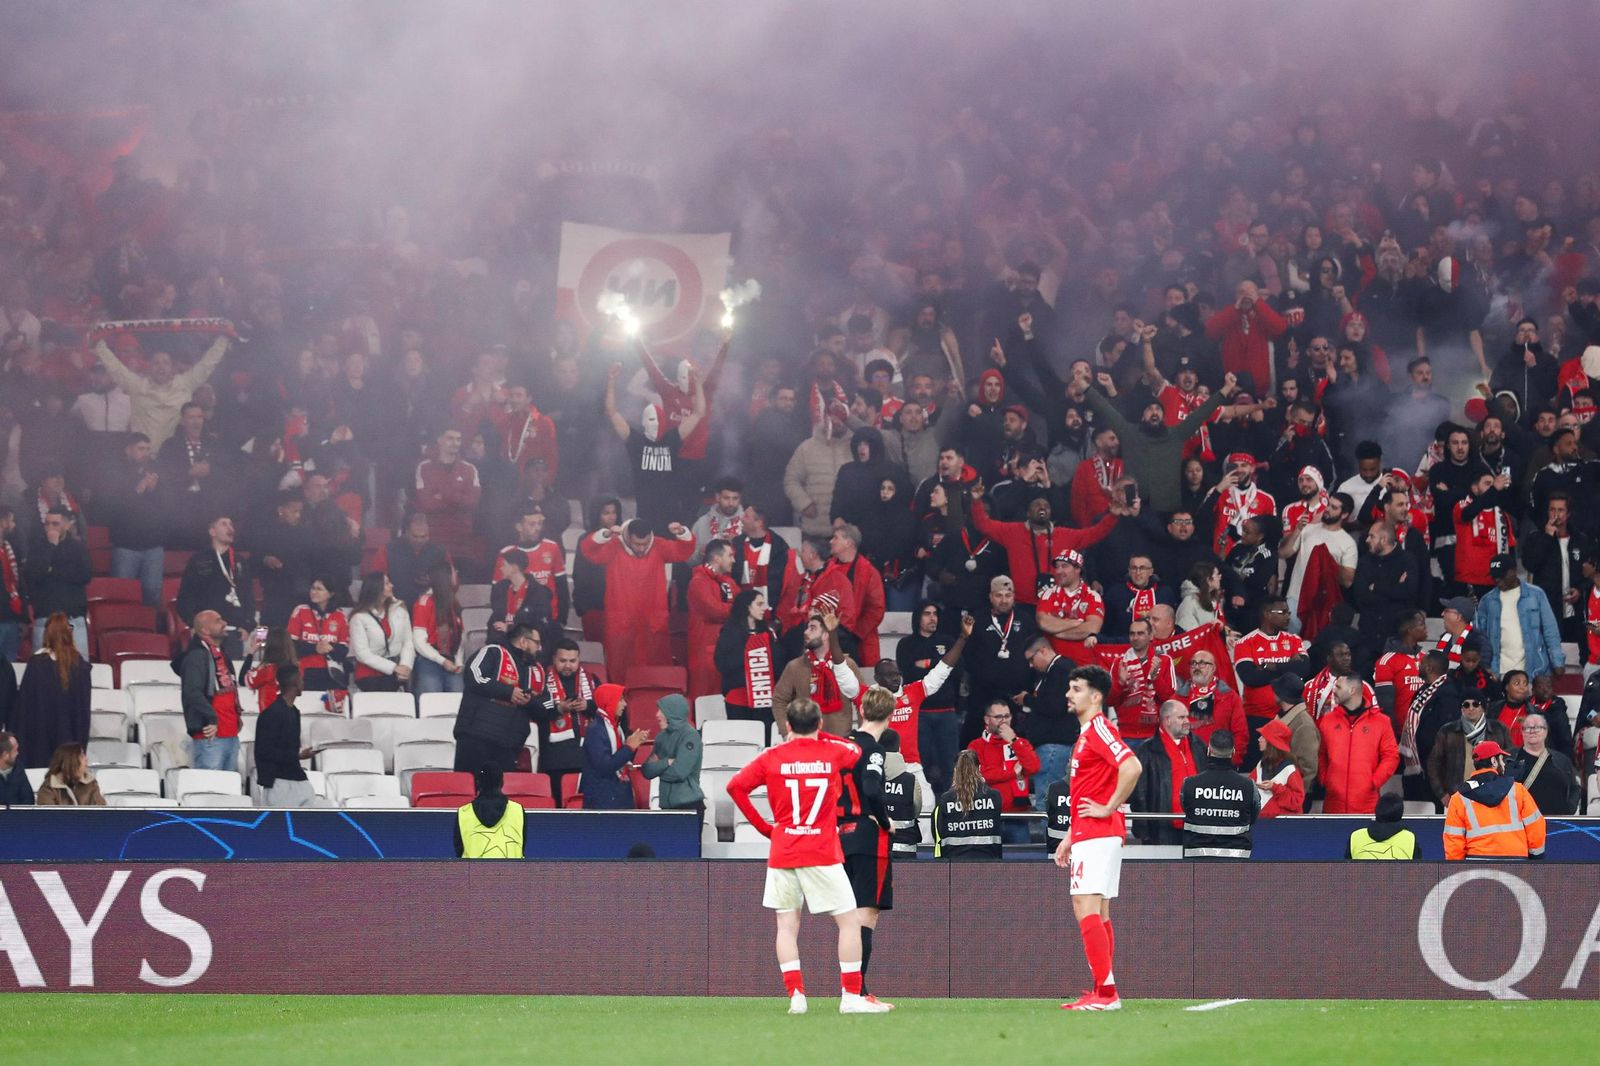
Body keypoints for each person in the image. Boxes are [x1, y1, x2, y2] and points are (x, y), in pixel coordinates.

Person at [726, 697, 888, 1015]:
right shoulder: (832, 751)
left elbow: (735, 787)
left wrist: (765, 828)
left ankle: (796, 997)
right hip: (822, 849)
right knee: (849, 922)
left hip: (784, 848)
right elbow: (855, 750)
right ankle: (850, 997)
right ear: (819, 724)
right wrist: (819, 735)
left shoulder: (771, 756)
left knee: (787, 926)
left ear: (787, 726)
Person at [1054, 664, 1142, 1012]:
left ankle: (1106, 994)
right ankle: (1101, 989)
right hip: (1090, 832)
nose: (1068, 694)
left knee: (1085, 906)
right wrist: (1069, 836)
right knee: (1099, 910)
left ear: (1095, 697)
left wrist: (1109, 807)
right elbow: (1087, 790)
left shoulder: (1099, 729)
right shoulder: (1088, 733)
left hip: (1099, 831)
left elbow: (1132, 766)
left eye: (1076, 688)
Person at [579, 518, 697, 685]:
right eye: (637, 544)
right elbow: (589, 550)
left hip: (652, 621)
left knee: (654, 670)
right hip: (621, 620)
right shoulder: (614, 546)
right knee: (620, 669)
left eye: (645, 544)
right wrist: (605, 534)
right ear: (628, 537)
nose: (641, 548)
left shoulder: (658, 545)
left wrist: (682, 532)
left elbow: (684, 550)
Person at [837, 686, 896, 1007]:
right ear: (890, 715)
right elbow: (872, 787)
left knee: (849, 916)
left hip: (840, 835)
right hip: (867, 837)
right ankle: (857, 992)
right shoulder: (874, 750)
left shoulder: (843, 744)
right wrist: (885, 821)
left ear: (861, 711)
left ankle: (854, 990)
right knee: (866, 914)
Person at [871, 615, 970, 801]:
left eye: (897, 674)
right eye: (889, 675)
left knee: (928, 804)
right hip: (880, 764)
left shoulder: (913, 692)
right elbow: (843, 675)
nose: (895, 678)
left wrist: (963, 638)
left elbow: (942, 670)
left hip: (911, 765)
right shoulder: (868, 697)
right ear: (877, 679)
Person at [90, 333, 230, 448]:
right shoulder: (137, 386)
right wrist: (99, 344)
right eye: (156, 363)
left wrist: (223, 339)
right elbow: (115, 368)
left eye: (165, 363)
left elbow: (206, 365)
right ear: (149, 367)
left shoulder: (185, 384)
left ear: (172, 368)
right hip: (143, 456)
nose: (161, 367)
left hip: (173, 457)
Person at [454, 621, 544, 775]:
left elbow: (544, 704)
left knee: (501, 790)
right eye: (537, 643)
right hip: (476, 737)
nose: (540, 648)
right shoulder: (493, 652)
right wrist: (509, 692)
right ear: (523, 641)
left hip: (509, 744)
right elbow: (474, 676)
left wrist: (529, 700)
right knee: (468, 786)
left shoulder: (536, 670)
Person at [1442, 741, 1546, 860]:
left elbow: (1453, 839)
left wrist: (1456, 867)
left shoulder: (1459, 798)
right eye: (1501, 759)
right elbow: (1535, 826)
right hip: (1516, 860)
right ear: (1494, 761)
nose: (1504, 764)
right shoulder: (1517, 790)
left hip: (1477, 862)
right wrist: (1536, 857)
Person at [13, 614, 91, 769]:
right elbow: (83, 710)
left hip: (39, 740)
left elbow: (24, 708)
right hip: (69, 740)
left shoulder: (36, 664)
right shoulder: (79, 665)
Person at [1318, 674, 1400, 814]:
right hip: (1333, 805)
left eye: (1338, 687)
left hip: (1367, 806)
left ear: (1352, 690)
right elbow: (1321, 754)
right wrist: (1326, 779)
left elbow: (1391, 756)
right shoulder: (1327, 720)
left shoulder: (1381, 721)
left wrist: (1373, 782)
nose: (1334, 690)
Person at [1474, 553, 1565, 680]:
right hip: (1498, 672)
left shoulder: (1536, 595)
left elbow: (1550, 631)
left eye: (1501, 576)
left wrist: (1557, 662)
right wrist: (1485, 667)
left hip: (1534, 671)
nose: (1497, 580)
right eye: (1494, 577)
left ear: (1514, 571)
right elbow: (1480, 637)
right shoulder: (1487, 601)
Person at [772, 610, 861, 739]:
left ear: (825, 635)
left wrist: (863, 735)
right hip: (806, 741)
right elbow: (779, 700)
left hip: (841, 741)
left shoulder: (847, 665)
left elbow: (862, 701)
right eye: (807, 628)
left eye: (812, 628)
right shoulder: (795, 667)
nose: (806, 632)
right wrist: (787, 733)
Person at [175, 514, 254, 658]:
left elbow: (248, 596)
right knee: (205, 669)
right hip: (206, 631)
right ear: (212, 531)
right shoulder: (199, 560)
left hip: (232, 632)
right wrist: (193, 623)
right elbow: (185, 596)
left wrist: (247, 625)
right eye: (224, 524)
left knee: (230, 671)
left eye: (231, 524)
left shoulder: (240, 561)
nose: (230, 528)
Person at [967, 698, 1041, 842]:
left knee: (1022, 857)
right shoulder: (976, 746)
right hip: (987, 817)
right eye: (998, 717)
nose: (1003, 721)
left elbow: (1034, 767)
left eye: (1007, 716)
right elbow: (980, 775)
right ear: (987, 719)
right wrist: (1012, 773)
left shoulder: (1020, 743)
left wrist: (1013, 741)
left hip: (1018, 818)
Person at [1132, 700, 1205, 844]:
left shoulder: (1198, 746)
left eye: (1187, 717)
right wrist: (1143, 829)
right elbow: (1140, 793)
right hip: (1162, 830)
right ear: (1167, 720)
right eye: (1181, 717)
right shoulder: (1147, 751)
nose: (1187, 721)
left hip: (1197, 829)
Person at [179, 610, 244, 771]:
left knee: (229, 785)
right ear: (205, 630)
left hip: (230, 733)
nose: (224, 623)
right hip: (210, 736)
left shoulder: (220, 653)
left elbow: (230, 688)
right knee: (211, 785)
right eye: (218, 621)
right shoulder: (196, 656)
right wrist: (211, 718)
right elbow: (192, 692)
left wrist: (236, 716)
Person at [532, 638, 595, 801]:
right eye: (563, 661)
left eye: (572, 661)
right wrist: (559, 708)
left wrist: (587, 706)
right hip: (554, 757)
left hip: (585, 754)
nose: (568, 665)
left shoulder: (591, 679)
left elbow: (605, 706)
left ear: (579, 659)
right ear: (554, 659)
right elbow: (534, 708)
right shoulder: (542, 679)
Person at [1179, 730, 1258, 859]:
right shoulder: (1248, 786)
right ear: (1233, 752)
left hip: (1197, 857)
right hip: (1236, 858)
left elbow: (1185, 807)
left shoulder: (1189, 784)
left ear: (1208, 750)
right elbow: (1253, 816)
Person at [22, 508, 90, 658]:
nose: (50, 528)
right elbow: (34, 575)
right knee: (41, 665)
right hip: (45, 617)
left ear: (66, 525)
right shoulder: (37, 548)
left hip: (72, 616)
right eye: (47, 524)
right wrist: (51, 547)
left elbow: (84, 575)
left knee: (80, 664)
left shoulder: (78, 547)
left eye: (55, 524)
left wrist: (52, 570)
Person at [715, 588, 782, 740]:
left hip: (764, 697)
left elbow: (778, 662)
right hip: (738, 697)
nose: (764, 608)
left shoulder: (767, 632)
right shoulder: (729, 631)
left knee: (765, 740)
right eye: (759, 604)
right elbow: (722, 663)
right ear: (747, 606)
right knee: (742, 742)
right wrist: (751, 652)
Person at [1427, 692, 1514, 804]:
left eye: (1476, 704)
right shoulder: (1447, 731)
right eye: (1466, 705)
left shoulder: (1499, 729)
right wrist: (1441, 794)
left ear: (1483, 708)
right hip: (1457, 795)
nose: (1471, 708)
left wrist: (1504, 789)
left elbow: (1510, 760)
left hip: (1492, 794)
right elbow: (1433, 763)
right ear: (1461, 709)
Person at [412, 427, 482, 565]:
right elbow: (426, 504)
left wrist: (442, 495)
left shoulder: (470, 469)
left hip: (462, 543)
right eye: (450, 438)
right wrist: (458, 497)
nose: (455, 443)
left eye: (458, 439)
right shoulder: (424, 467)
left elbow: (472, 503)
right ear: (439, 440)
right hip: (434, 540)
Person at [256, 663, 319, 807]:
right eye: (301, 680)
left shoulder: (294, 712)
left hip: (296, 777)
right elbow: (264, 751)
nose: (303, 683)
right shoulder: (271, 713)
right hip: (278, 781)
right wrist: (298, 755)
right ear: (295, 683)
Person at [580, 683, 648, 810]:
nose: (625, 704)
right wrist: (629, 747)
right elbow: (605, 766)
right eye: (620, 700)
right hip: (603, 799)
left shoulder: (616, 727)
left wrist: (633, 745)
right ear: (609, 701)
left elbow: (621, 760)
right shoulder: (595, 730)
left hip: (619, 795)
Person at [687, 539, 739, 701]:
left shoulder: (728, 582)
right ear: (717, 558)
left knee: (724, 696)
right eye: (730, 556)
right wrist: (738, 609)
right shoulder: (698, 582)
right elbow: (714, 611)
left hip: (725, 649)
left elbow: (744, 603)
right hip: (704, 651)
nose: (733, 560)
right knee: (705, 697)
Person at [348, 572, 415, 692]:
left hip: (396, 671)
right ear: (376, 588)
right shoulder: (359, 617)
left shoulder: (400, 611)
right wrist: (393, 667)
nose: (392, 585)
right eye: (387, 583)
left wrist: (405, 665)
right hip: (368, 673)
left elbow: (408, 642)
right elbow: (362, 653)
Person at [934, 749, 1002, 860]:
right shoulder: (994, 796)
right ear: (979, 768)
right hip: (988, 861)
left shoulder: (946, 799)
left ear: (955, 770)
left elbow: (939, 832)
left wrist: (953, 788)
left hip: (954, 863)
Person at [287, 577, 350, 696]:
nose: (314, 592)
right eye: (312, 588)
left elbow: (344, 650)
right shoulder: (301, 611)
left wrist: (331, 648)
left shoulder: (340, 615)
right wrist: (315, 648)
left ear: (330, 594)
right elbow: (289, 646)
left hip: (332, 673)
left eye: (319, 589)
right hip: (304, 672)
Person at [641, 694, 703, 813]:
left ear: (672, 712)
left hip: (689, 805)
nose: (657, 715)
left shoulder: (690, 736)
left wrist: (658, 769)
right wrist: (667, 762)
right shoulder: (661, 737)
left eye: (661, 711)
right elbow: (647, 770)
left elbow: (679, 772)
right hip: (666, 807)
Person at [1510, 713, 1582, 815]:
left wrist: (1569, 809)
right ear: (1522, 731)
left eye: (1538, 727)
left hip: (1558, 821)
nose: (1532, 731)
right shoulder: (1511, 759)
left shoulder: (1562, 760)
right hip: (1524, 821)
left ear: (1546, 731)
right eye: (1527, 727)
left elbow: (1575, 787)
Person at [411, 564, 465, 697]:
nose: (457, 574)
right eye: (454, 572)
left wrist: (459, 661)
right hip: (429, 659)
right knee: (431, 699)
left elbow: (459, 635)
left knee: (458, 699)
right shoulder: (424, 603)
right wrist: (442, 661)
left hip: (451, 659)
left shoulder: (453, 602)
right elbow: (419, 642)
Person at [454, 764, 524, 859]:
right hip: (511, 868)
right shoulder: (518, 811)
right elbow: (522, 847)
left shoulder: (463, 813)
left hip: (473, 869)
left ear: (478, 783)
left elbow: (459, 850)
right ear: (502, 783)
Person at [1270, 674, 1319, 800]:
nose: (1273, 692)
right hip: (1280, 790)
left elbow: (1308, 768)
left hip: (1294, 797)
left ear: (1282, 695)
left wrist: (1296, 797)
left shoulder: (1303, 725)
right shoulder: (1282, 717)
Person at [1251, 719, 1305, 818]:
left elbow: (1296, 802)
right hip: (1261, 822)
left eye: (1263, 736)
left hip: (1282, 824)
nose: (1259, 739)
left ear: (1271, 742)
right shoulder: (1261, 765)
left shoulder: (1290, 770)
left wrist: (1275, 788)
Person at [1347, 793, 1418, 859]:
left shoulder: (1355, 836)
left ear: (1376, 810)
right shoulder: (1410, 838)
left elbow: (1346, 867)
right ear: (1400, 814)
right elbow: (1418, 867)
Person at [33, 743, 106, 806]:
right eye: (81, 756)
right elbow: (48, 815)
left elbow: (100, 812)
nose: (86, 759)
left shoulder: (91, 784)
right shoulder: (49, 788)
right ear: (71, 761)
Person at [0, 731, 33, 806]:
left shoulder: (18, 771)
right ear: (5, 755)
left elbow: (28, 800)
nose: (17, 753)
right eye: (15, 750)